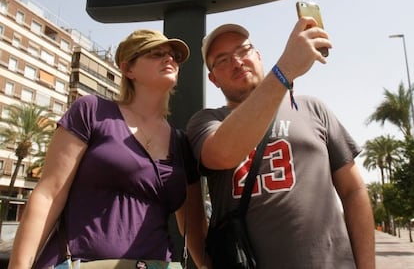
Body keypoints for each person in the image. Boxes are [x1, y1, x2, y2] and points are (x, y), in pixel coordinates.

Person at [8, 29, 208, 269]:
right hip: (80, 262)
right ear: (128, 69)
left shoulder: (180, 142)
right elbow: (48, 195)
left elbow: (195, 231)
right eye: (156, 54)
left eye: (173, 56)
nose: (169, 59)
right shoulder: (92, 111)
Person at [186, 20, 375, 269]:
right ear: (213, 79)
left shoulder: (313, 109)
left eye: (244, 51)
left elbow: (353, 191)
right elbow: (221, 154)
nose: (237, 61)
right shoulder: (207, 122)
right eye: (222, 60)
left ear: (258, 55)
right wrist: (285, 69)